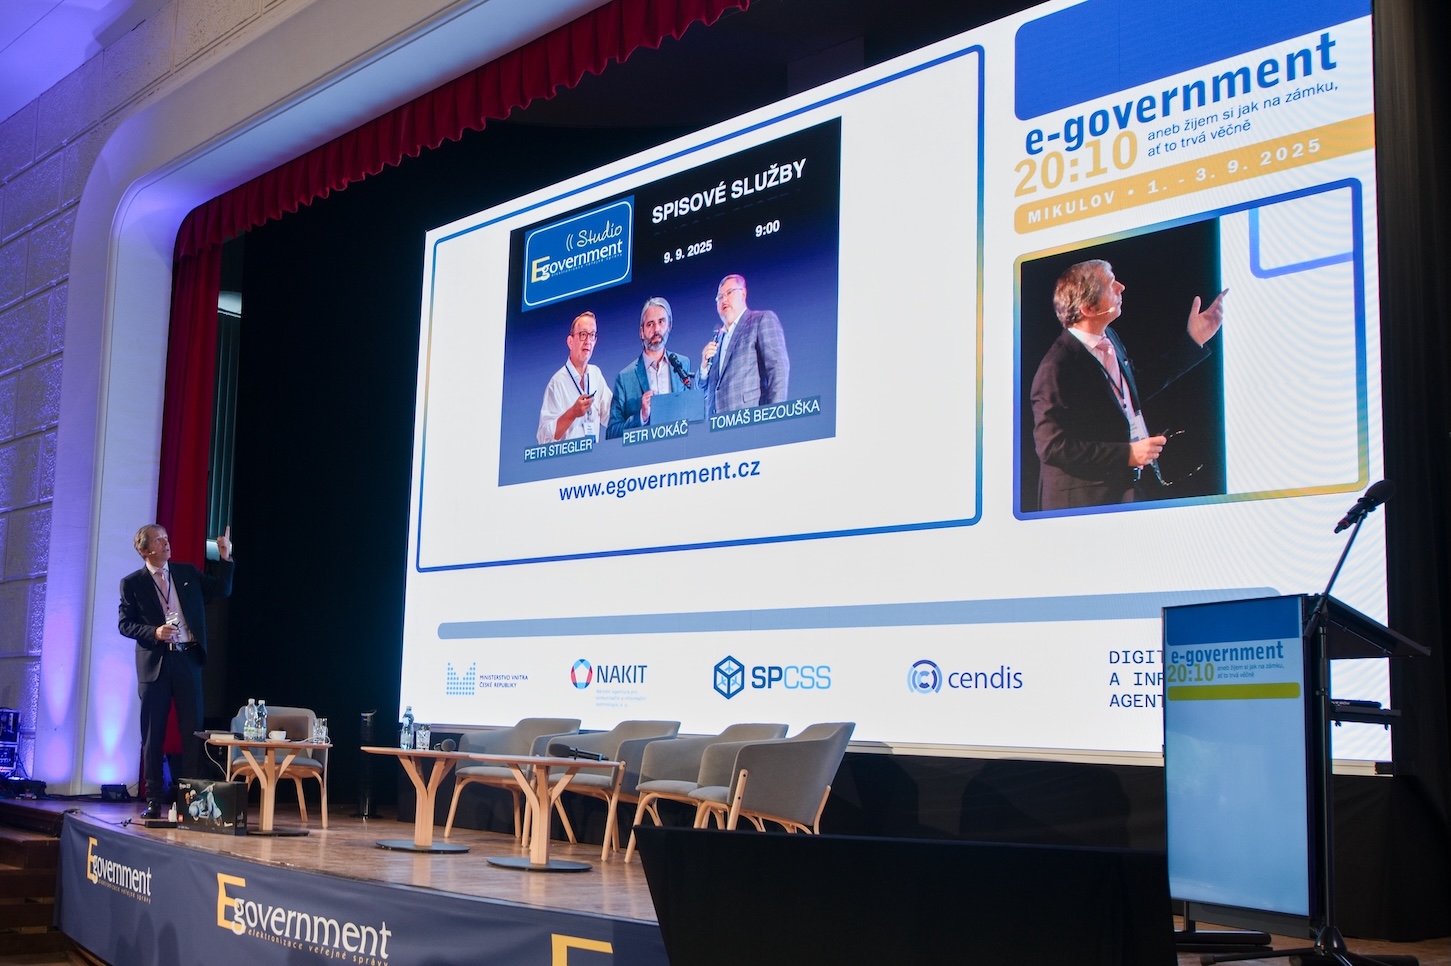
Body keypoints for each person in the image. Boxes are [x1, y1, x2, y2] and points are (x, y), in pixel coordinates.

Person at [1030, 258, 1224, 510]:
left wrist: (1193, 341)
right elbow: (1052, 446)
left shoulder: (1109, 337)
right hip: (1082, 506)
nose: (1121, 287)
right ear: (1088, 308)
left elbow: (1131, 391)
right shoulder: (1057, 366)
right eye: (1111, 284)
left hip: (1123, 492)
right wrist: (1128, 454)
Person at [118, 524, 233, 818]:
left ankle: (192, 801)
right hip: (155, 664)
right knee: (152, 735)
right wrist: (154, 632)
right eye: (159, 540)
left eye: (166, 538)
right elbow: (125, 624)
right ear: (145, 550)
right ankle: (153, 799)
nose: (166, 543)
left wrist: (225, 557)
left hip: (187, 659)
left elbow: (221, 589)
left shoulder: (187, 573)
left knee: (193, 733)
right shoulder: (132, 583)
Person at [700, 274, 789, 414]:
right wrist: (704, 368)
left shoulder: (760, 320)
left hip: (749, 418)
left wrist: (776, 414)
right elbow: (703, 390)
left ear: (743, 293)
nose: (724, 300)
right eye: (720, 297)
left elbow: (777, 368)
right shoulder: (717, 338)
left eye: (729, 293)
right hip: (716, 423)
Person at [607, 297, 691, 438]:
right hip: (644, 451)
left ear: (669, 325)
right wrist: (641, 416)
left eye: (661, 322)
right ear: (642, 332)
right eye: (650, 324)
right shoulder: (625, 378)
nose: (656, 329)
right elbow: (612, 433)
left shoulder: (683, 364)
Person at [537, 311, 612, 443]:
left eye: (592, 335)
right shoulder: (557, 382)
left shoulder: (596, 374)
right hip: (567, 456)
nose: (588, 341)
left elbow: (612, 415)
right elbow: (544, 437)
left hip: (594, 455)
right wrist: (572, 413)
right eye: (583, 335)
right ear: (570, 342)